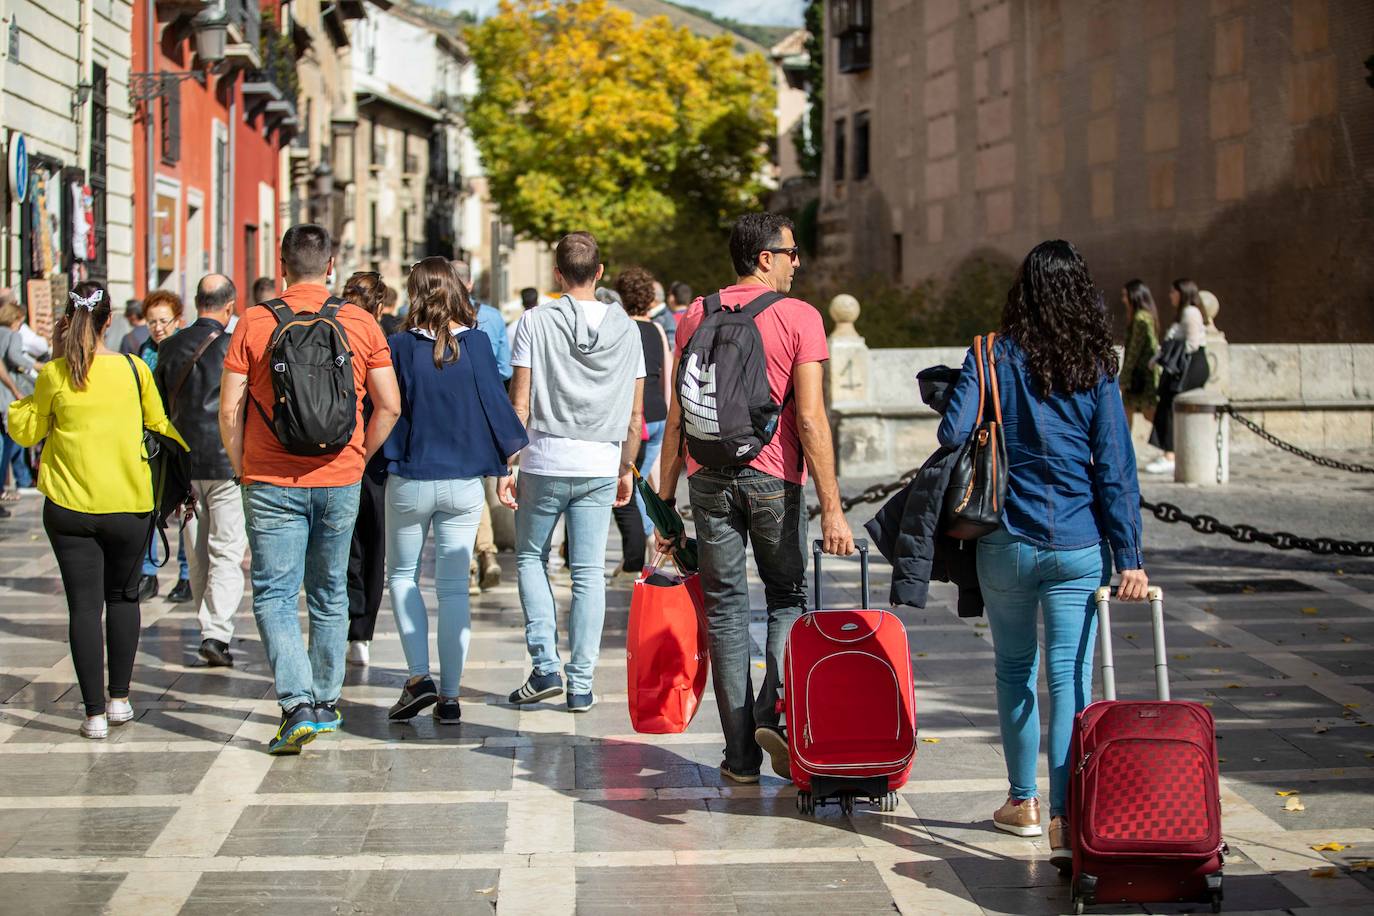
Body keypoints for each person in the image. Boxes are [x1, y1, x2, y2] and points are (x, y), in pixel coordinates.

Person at [937, 239, 1147, 867]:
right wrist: (1129, 556)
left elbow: (952, 433)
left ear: (1022, 292)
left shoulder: (991, 353)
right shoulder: (1096, 365)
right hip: (1079, 544)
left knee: (1013, 671)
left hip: (1005, 539)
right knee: (1070, 678)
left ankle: (1022, 802)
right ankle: (1066, 816)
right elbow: (1115, 467)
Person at [656, 212, 854, 785]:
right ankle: (773, 712)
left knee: (724, 610)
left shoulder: (696, 313)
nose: (798, 263)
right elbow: (811, 420)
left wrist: (665, 504)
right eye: (792, 253)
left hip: (708, 480)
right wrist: (833, 509)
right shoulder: (800, 317)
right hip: (775, 481)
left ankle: (740, 758)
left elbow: (678, 415)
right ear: (766, 258)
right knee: (787, 598)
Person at [219, 224, 400, 755]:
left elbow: (228, 410)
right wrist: (357, 457)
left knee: (275, 594)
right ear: (331, 266)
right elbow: (389, 405)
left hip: (270, 478)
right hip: (340, 477)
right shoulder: (361, 322)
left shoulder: (254, 322)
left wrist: (243, 465)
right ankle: (324, 701)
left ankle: (295, 703)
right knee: (329, 591)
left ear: (282, 266)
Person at [7, 282, 186, 738]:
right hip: (128, 503)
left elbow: (25, 431)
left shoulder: (56, 373)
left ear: (69, 321)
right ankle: (120, 699)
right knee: (124, 598)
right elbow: (159, 424)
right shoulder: (133, 369)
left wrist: (50, 365)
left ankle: (93, 714)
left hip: (69, 506)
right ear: (110, 322)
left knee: (83, 608)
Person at [499, 231, 645, 713]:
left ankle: (545, 664)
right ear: (599, 272)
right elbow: (635, 416)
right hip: (601, 460)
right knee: (588, 574)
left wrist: (507, 463)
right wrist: (626, 467)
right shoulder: (628, 330)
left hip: (544, 457)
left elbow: (520, 404)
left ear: (557, 274)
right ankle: (580, 684)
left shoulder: (534, 321)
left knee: (530, 558)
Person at [383, 258, 527, 722]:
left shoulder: (398, 346)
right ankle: (449, 697)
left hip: (410, 477)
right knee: (453, 591)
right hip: (464, 484)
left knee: (402, 577)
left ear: (415, 292)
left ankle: (418, 677)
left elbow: (386, 408)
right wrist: (508, 465)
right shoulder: (477, 343)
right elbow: (496, 405)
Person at [154, 274, 246, 668]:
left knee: (196, 551)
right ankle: (216, 631)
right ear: (230, 306)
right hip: (227, 462)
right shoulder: (235, 345)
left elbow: (159, 410)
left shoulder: (169, 347)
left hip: (185, 465)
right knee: (226, 549)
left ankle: (208, 626)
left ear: (196, 303)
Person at [339, 271, 390, 667]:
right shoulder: (382, 337)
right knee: (373, 547)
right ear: (380, 306)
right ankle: (361, 632)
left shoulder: (329, 330)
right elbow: (391, 406)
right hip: (373, 457)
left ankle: (339, 620)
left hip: (332, 453)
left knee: (340, 545)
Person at [453, 260, 511, 592]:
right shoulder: (492, 317)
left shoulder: (434, 319)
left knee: (464, 486)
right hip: (487, 409)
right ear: (471, 284)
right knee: (477, 486)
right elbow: (504, 369)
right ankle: (485, 552)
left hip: (454, 412)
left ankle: (471, 563)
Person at [610, 267, 671, 579]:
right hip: (659, 413)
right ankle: (647, 549)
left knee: (630, 486)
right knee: (643, 484)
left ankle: (647, 546)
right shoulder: (658, 329)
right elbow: (666, 377)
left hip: (636, 417)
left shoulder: (620, 329)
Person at [136, 290, 191, 602]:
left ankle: (186, 574)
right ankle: (148, 572)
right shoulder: (143, 352)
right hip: (150, 441)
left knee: (184, 508)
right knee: (147, 506)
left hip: (180, 438)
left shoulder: (186, 349)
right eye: (152, 321)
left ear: (178, 320)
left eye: (164, 321)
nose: (158, 327)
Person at [1146, 278, 1209, 474]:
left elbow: (1192, 344)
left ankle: (1170, 455)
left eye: (1173, 292)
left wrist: (1168, 359)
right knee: (1167, 405)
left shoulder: (1190, 312)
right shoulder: (1184, 313)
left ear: (1182, 293)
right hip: (1184, 365)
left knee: (1168, 404)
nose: (1170, 296)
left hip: (1190, 366)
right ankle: (1170, 452)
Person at [0, 301, 38, 506]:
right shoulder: (13, 335)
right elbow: (15, 357)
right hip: (4, 395)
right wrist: (36, 366)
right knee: (7, 444)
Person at [1119, 279, 1160, 436]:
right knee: (1127, 412)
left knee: (1148, 412)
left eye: (1125, 295)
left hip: (1141, 376)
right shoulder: (1146, 315)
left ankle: (1168, 441)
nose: (1123, 300)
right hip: (1143, 374)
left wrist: (1124, 378)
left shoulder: (1140, 318)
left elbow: (1134, 351)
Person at [645, 279, 677, 352]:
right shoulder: (653, 315)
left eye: (646, 295)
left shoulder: (667, 318)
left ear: (653, 298)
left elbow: (671, 348)